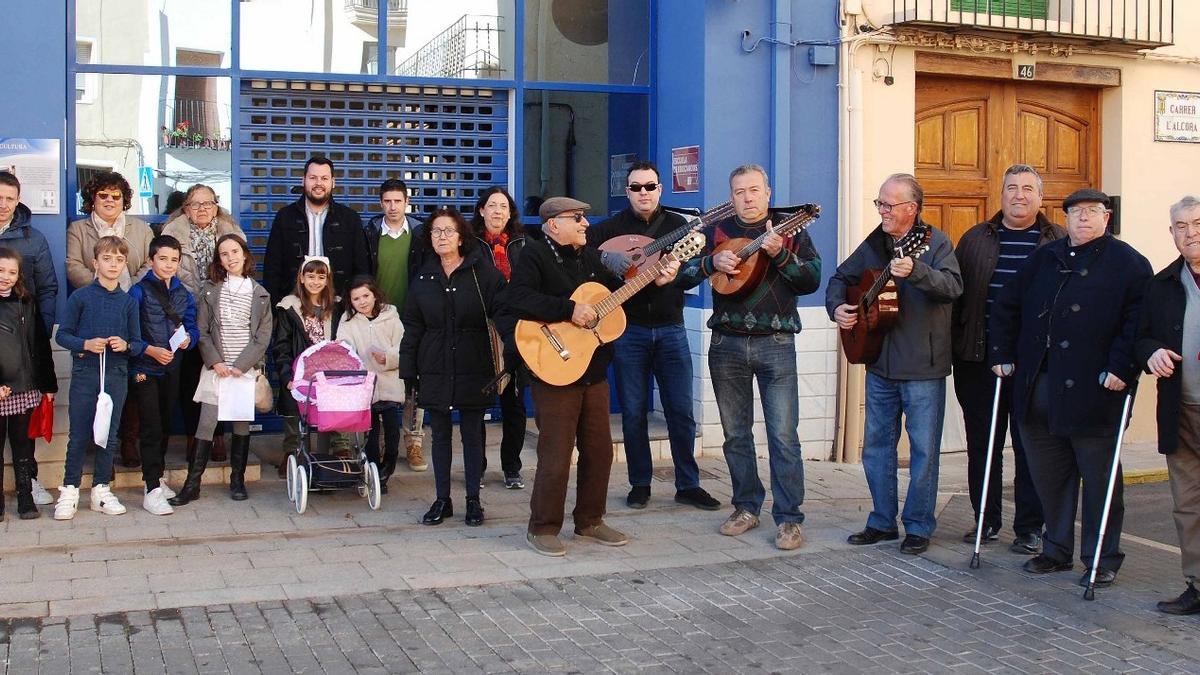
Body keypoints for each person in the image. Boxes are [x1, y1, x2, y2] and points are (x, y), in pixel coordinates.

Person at [989, 188, 1151, 588]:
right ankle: (1056, 549)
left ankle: (1101, 557)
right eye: (1075, 212)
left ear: (1107, 217)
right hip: (1038, 389)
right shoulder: (1045, 257)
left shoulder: (1129, 264)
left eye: (1092, 211)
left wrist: (1122, 368)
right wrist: (1001, 352)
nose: (1082, 219)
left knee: (1099, 481)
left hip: (1097, 392)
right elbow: (1007, 305)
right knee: (1050, 476)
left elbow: (1139, 324)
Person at [507, 197, 678, 557]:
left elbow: (611, 303)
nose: (586, 224)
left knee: (600, 451)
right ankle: (542, 527)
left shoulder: (588, 257)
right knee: (555, 453)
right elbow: (517, 299)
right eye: (577, 218)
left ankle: (590, 520)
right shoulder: (533, 255)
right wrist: (569, 310)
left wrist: (655, 281)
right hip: (555, 367)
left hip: (594, 369)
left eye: (586, 217)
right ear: (553, 224)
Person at [677, 165, 821, 551]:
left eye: (754, 190)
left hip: (775, 342)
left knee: (783, 436)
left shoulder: (790, 230)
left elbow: (811, 279)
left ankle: (789, 518)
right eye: (740, 192)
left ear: (768, 193)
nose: (748, 198)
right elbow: (681, 272)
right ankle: (746, 506)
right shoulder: (714, 232)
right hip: (726, 343)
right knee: (736, 435)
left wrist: (781, 257)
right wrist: (711, 263)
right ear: (732, 196)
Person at [827, 173, 962, 555]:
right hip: (880, 362)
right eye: (879, 204)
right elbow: (840, 278)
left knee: (923, 450)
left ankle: (918, 525)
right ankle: (882, 521)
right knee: (877, 447)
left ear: (911, 209)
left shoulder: (934, 243)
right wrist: (838, 307)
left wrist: (916, 272)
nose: (882, 211)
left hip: (923, 366)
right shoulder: (876, 244)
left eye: (889, 205)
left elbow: (953, 288)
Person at [591, 161, 720, 512]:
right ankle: (640, 483)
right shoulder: (609, 229)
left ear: (661, 189)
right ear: (627, 190)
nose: (643, 193)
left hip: (671, 328)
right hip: (628, 330)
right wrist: (610, 264)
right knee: (633, 412)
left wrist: (676, 275)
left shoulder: (679, 227)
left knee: (680, 410)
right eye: (636, 187)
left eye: (650, 186)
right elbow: (586, 260)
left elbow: (698, 268)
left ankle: (688, 484)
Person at [952, 164, 1062, 554]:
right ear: (1001, 195)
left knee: (1032, 445)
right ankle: (986, 519)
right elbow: (956, 298)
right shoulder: (975, 239)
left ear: (1040, 197)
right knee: (984, 445)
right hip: (979, 361)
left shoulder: (1058, 241)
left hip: (1037, 366)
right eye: (1012, 188)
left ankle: (1030, 527)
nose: (1019, 195)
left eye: (1028, 188)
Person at [399, 208, 505, 527]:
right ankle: (442, 499)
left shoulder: (483, 273)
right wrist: (408, 372)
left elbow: (504, 314)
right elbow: (413, 327)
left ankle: (473, 500)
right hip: (434, 364)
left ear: (461, 237)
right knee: (441, 433)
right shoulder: (423, 277)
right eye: (435, 232)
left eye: (447, 231)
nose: (441, 237)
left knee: (473, 433)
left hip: (475, 363)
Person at [1135, 195, 1200, 614]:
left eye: (1196, 223)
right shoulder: (1162, 284)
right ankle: (1197, 584)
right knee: (1188, 502)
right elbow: (1141, 336)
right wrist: (1152, 352)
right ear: (1171, 233)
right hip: (1183, 409)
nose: (1190, 233)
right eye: (1180, 226)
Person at [172, 234, 272, 505]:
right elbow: (202, 331)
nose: (231, 257)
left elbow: (263, 337)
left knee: (240, 423)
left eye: (235, 251)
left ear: (245, 255)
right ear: (219, 260)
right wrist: (216, 361)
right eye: (224, 254)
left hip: (243, 370)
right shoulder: (210, 291)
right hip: (217, 369)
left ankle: (237, 480)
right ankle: (192, 485)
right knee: (206, 423)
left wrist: (241, 366)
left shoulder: (260, 294)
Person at [67, 171, 155, 470]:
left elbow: (148, 263)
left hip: (132, 306)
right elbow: (73, 265)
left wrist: (128, 289)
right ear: (92, 198)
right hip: (93, 309)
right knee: (95, 377)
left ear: (124, 200)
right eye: (102, 195)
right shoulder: (78, 229)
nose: (109, 200)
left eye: (115, 196)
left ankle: (126, 440)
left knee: (129, 373)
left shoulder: (141, 229)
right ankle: (95, 440)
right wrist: (103, 283)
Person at [54, 236, 146, 520]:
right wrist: (85, 344)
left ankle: (101, 490)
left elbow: (138, 342)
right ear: (95, 263)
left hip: (116, 374)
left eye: (119, 260)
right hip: (86, 373)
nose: (113, 264)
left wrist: (126, 345)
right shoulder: (80, 297)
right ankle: (69, 490)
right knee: (80, 433)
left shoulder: (128, 302)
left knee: (108, 434)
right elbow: (62, 334)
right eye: (107, 259)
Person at [160, 184, 247, 463]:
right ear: (185, 208)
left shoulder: (230, 231)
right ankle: (193, 436)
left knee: (220, 372)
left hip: (223, 315)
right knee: (188, 378)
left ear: (216, 205)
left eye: (208, 203)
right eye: (195, 204)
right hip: (184, 313)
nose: (202, 209)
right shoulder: (172, 233)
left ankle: (218, 434)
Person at [126, 235, 199, 515]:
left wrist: (188, 340)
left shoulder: (184, 294)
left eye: (174, 260)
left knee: (166, 423)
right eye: (163, 258)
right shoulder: (138, 291)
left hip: (173, 367)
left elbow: (192, 327)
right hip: (145, 368)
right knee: (150, 426)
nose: (168, 264)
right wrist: (150, 351)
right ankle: (151, 487)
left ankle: (156, 479)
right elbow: (130, 334)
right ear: (151, 260)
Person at [0, 171, 58, 507]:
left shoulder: (33, 239)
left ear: (18, 200)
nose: (3, 204)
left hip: (25, 350)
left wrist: (38, 329)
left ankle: (30, 483)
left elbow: (49, 286)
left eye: (9, 198)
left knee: (24, 435)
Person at [363, 178, 427, 472]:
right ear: (380, 203)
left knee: (413, 382)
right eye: (387, 201)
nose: (392, 207)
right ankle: (383, 442)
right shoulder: (370, 233)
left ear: (406, 203)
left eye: (397, 201)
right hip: (379, 320)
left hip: (412, 319)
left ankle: (413, 443)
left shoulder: (420, 233)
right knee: (381, 380)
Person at [471, 186, 529, 489]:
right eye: (492, 206)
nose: (497, 212)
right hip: (480, 329)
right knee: (478, 403)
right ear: (481, 210)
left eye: (503, 207)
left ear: (510, 213)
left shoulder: (523, 243)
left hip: (517, 330)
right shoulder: (469, 243)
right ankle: (476, 468)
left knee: (514, 403)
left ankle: (512, 467)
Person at [263, 157, 369, 302]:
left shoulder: (350, 219)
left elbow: (362, 267)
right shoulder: (285, 217)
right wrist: (276, 307)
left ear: (333, 182)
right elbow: (272, 268)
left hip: (337, 303)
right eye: (313, 178)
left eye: (324, 178)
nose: (318, 183)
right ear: (303, 180)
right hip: (294, 302)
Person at [272, 256, 343, 471]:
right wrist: (287, 377)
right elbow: (281, 346)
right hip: (299, 369)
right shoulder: (289, 307)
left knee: (337, 405)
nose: (315, 281)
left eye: (321, 277)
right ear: (301, 278)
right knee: (295, 409)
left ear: (328, 279)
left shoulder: (337, 306)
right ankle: (292, 451)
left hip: (330, 370)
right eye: (310, 276)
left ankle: (341, 449)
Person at [338, 276, 404, 493]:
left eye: (366, 296)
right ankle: (375, 475)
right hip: (365, 388)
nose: (362, 301)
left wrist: (388, 357)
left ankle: (388, 468)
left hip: (390, 384)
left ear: (375, 295)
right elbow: (344, 347)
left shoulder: (391, 317)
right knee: (371, 435)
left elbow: (403, 346)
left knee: (393, 434)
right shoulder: (348, 322)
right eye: (356, 298)